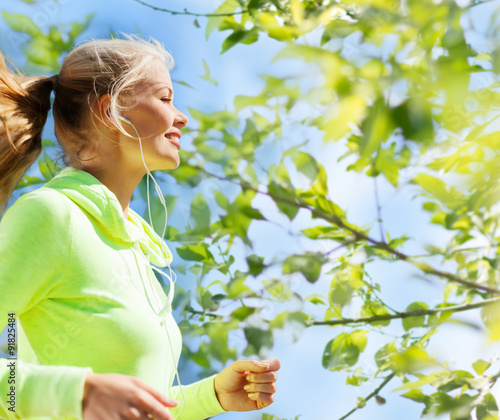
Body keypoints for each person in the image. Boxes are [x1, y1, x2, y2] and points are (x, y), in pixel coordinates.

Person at [0, 36, 280, 420]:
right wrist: (75, 393)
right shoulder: (52, 216)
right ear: (110, 111)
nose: (182, 117)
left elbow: (134, 403)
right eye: (165, 99)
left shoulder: (131, 244)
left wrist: (212, 395)